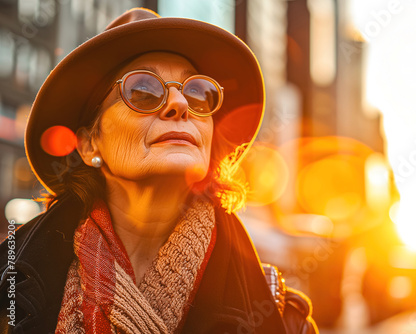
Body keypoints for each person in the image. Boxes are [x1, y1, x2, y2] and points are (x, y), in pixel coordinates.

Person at [0, 8, 317, 334]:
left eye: (198, 92)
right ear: (89, 144)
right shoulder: (9, 296)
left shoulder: (282, 319)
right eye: (143, 90)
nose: (179, 103)